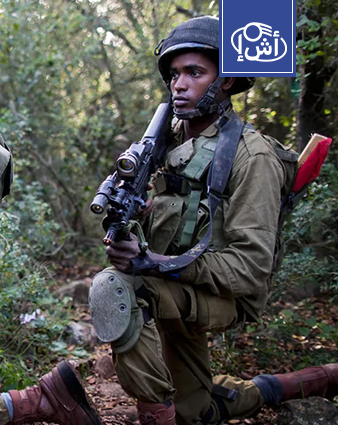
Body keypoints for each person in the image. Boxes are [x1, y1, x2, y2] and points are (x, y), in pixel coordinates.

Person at [85, 16, 338, 425]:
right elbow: (186, 211)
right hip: (178, 279)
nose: (179, 85)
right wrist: (142, 216)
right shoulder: (170, 139)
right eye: (174, 74)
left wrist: (154, 263)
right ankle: (294, 384)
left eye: (194, 73)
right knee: (196, 412)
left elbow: (251, 267)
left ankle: (156, 416)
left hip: (221, 293)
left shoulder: (252, 156)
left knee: (114, 288)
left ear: (226, 81)